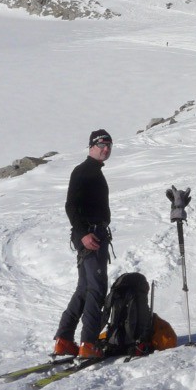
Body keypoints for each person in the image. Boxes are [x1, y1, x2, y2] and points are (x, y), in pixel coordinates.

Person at [53, 129, 115, 358]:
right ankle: (89, 343)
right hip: (91, 236)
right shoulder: (84, 171)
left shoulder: (93, 171)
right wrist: (83, 234)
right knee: (96, 289)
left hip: (91, 234)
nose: (106, 149)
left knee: (84, 288)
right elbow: (71, 205)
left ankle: (64, 340)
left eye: (109, 145)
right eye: (101, 145)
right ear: (91, 146)